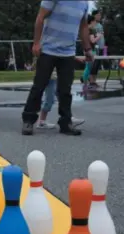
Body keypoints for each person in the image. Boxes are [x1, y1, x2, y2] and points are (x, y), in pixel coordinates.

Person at [22, 0, 93, 136]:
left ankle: (65, 123)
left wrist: (87, 48)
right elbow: (40, 17)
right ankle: (28, 120)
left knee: (65, 90)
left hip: (68, 52)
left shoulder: (84, 3)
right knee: (39, 86)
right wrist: (36, 43)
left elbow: (83, 27)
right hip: (48, 49)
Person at [81, 15, 101, 85]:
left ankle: (85, 80)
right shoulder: (91, 30)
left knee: (88, 66)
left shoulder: (85, 29)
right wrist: (99, 36)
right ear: (91, 21)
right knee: (89, 67)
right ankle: (85, 82)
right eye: (94, 22)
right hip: (90, 49)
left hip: (85, 48)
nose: (95, 23)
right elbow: (92, 41)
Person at [88, 10, 104, 87]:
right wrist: (99, 36)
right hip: (95, 47)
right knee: (93, 64)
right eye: (98, 15)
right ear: (94, 16)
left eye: (100, 15)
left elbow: (101, 35)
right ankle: (91, 81)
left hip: (100, 47)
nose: (99, 16)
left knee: (97, 65)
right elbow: (92, 38)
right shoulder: (92, 26)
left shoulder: (100, 25)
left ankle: (94, 81)